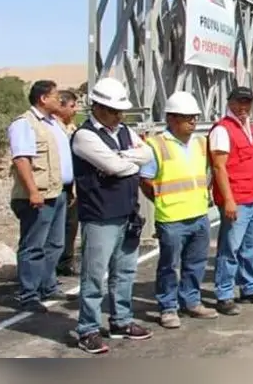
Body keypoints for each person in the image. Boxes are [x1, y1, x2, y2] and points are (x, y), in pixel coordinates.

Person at [71, 77, 154, 354]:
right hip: (100, 216)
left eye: (120, 111)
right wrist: (125, 160)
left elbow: (147, 154)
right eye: (113, 111)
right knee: (95, 276)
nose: (119, 116)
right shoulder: (85, 136)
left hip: (126, 211)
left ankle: (122, 320)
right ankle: (88, 329)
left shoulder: (123, 131)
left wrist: (121, 157)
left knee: (125, 271)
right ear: (97, 107)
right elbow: (118, 168)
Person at [139, 91, 219, 329]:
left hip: (198, 214)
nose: (193, 122)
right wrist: (162, 199)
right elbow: (146, 180)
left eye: (194, 117)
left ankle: (191, 301)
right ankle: (168, 307)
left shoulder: (200, 143)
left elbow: (208, 171)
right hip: (171, 217)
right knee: (169, 266)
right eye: (187, 117)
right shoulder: (156, 145)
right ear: (172, 119)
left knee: (196, 263)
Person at [7, 80, 73, 313]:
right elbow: (22, 159)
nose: (60, 100)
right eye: (56, 96)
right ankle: (29, 295)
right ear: (43, 99)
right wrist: (33, 191)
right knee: (33, 246)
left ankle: (48, 285)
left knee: (55, 243)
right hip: (38, 196)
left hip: (59, 192)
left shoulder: (54, 124)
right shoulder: (25, 124)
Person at [209, 86, 253, 315]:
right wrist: (228, 200)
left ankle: (249, 288)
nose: (243, 107)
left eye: (247, 103)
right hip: (238, 198)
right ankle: (224, 294)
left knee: (251, 247)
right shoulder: (222, 130)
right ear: (230, 102)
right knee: (230, 248)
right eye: (238, 102)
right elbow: (218, 166)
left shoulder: (252, 128)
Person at [56, 89, 80, 277]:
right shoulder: (52, 129)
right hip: (53, 187)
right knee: (54, 231)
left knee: (70, 225)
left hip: (70, 186)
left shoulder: (71, 128)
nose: (76, 110)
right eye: (72, 106)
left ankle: (66, 262)